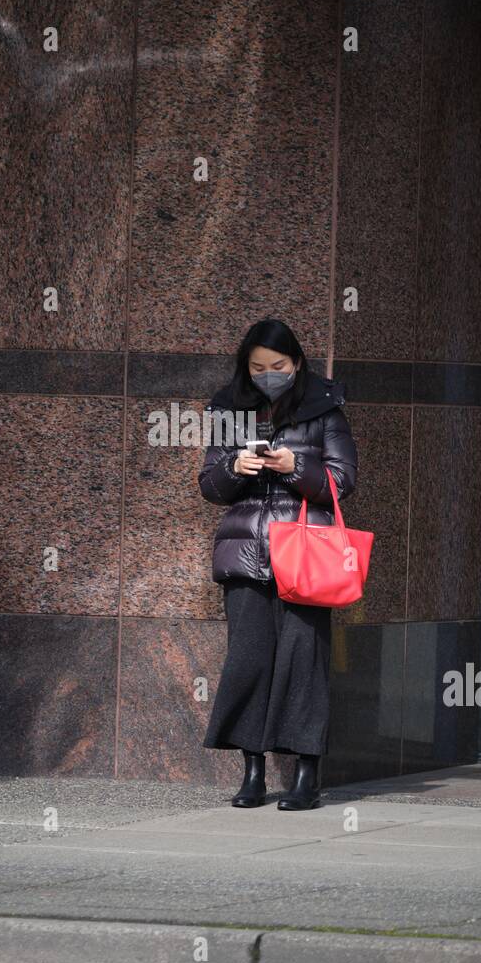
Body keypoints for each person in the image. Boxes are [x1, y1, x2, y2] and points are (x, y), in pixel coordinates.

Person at [198, 318, 358, 810]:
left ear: (298, 363)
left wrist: (297, 468)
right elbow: (209, 485)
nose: (269, 374)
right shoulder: (229, 407)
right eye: (258, 367)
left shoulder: (326, 407)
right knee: (249, 661)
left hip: (306, 556)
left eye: (279, 366)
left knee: (302, 662)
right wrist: (234, 467)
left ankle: (307, 776)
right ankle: (253, 774)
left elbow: (342, 479)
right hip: (247, 554)